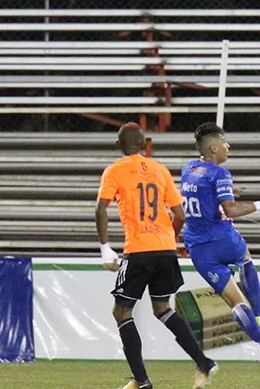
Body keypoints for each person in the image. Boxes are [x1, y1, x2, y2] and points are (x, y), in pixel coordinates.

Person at [96, 122, 217, 389]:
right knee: (162, 308)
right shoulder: (160, 170)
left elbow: (101, 209)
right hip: (164, 250)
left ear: (119, 146)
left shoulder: (114, 171)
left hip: (138, 251)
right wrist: (167, 241)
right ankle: (203, 362)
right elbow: (180, 215)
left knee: (121, 311)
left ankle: (141, 381)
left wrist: (105, 247)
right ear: (143, 144)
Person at [180, 122, 260, 374]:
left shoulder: (188, 169)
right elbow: (230, 210)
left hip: (199, 249)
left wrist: (224, 193)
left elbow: (199, 196)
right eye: (225, 142)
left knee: (234, 302)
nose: (228, 146)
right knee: (246, 259)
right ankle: (259, 313)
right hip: (224, 240)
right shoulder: (220, 174)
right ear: (214, 147)